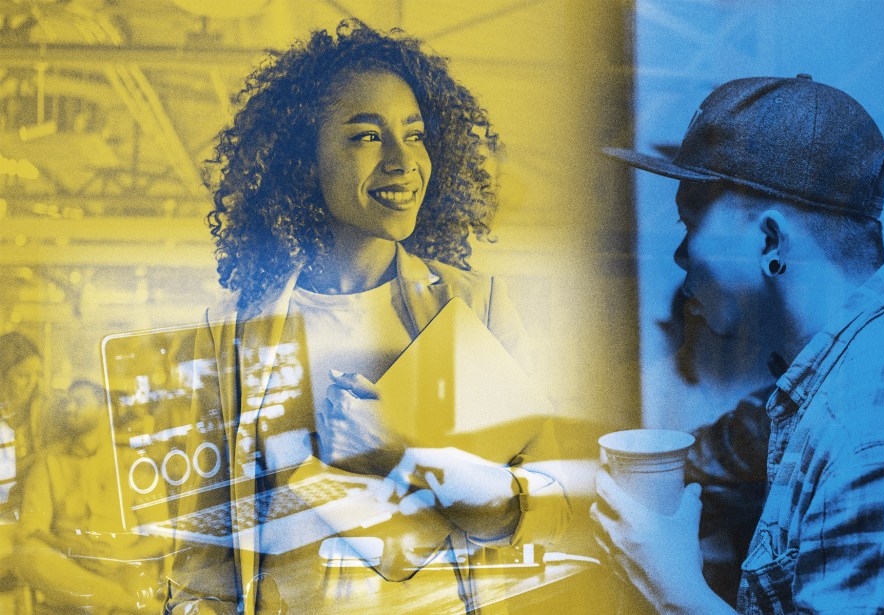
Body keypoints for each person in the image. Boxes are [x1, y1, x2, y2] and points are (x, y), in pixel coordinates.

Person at [166, 20, 567, 614]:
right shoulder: (230, 336)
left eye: (415, 134)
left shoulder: (474, 307)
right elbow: (204, 571)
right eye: (365, 137)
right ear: (304, 162)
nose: (403, 162)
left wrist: (402, 453)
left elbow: (544, 513)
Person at [594, 75, 884, 613]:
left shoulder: (880, 446)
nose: (681, 256)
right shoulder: (848, 363)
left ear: (770, 241)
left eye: (690, 225)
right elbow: (701, 460)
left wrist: (674, 589)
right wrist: (515, 488)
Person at [17, 379, 170, 614]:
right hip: (69, 570)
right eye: (68, 403)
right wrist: (68, 548)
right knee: (29, 556)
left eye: (79, 402)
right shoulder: (47, 465)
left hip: (124, 567)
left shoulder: (133, 463)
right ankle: (129, 605)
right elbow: (32, 529)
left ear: (104, 410)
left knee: (136, 583)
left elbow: (160, 536)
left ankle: (111, 603)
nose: (69, 409)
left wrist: (119, 555)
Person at [0, 331, 44, 612]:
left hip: (31, 515)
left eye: (36, 374)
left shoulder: (38, 414)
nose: (31, 383)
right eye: (21, 375)